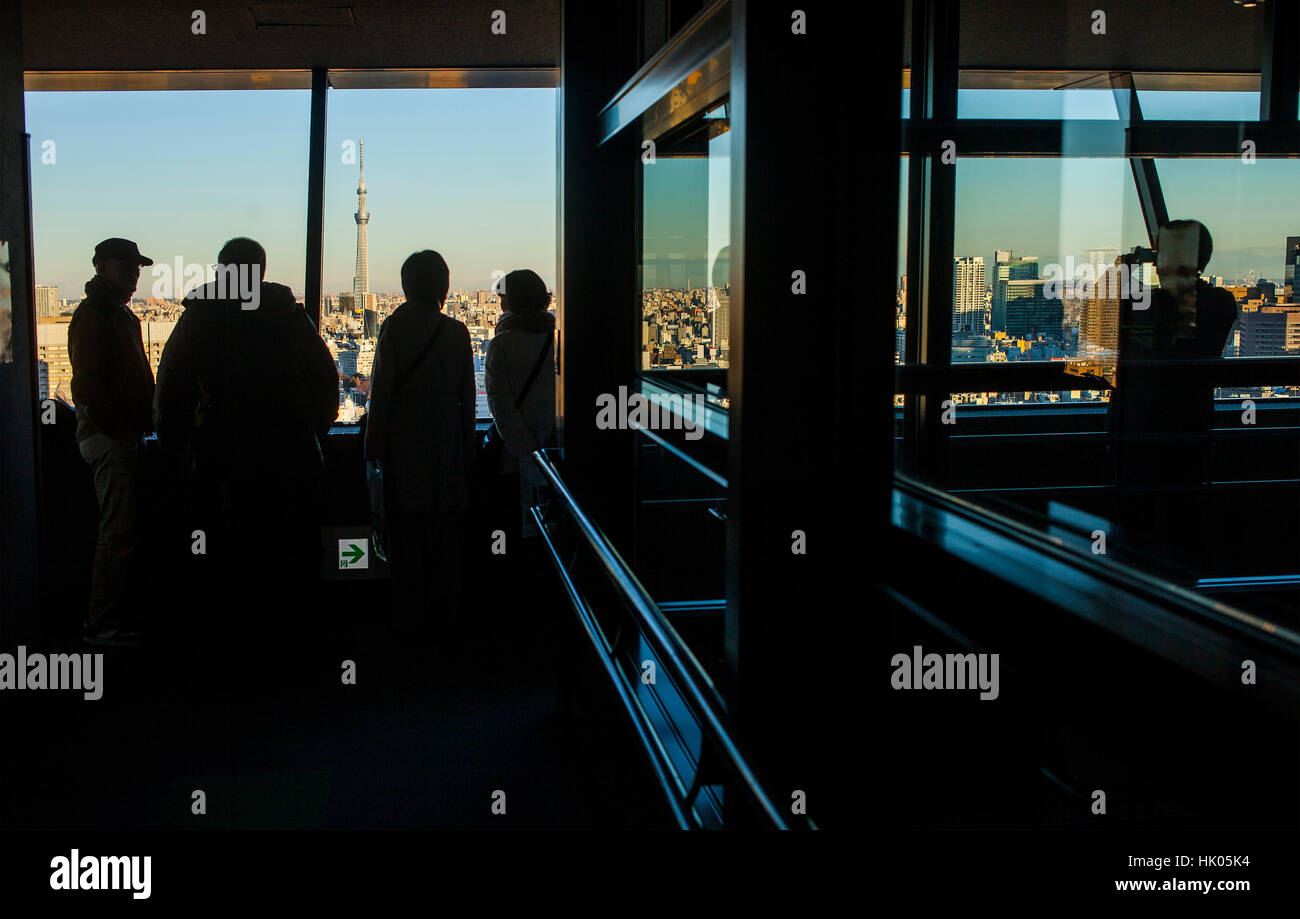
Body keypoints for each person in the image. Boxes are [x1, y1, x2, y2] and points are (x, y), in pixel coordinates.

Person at [153, 237, 338, 639]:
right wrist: (311, 430)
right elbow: (326, 379)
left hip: (223, 454)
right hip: (289, 452)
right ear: (262, 271)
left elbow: (170, 388)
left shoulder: (201, 318)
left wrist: (178, 443)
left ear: (222, 272)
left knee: (226, 553)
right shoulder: (289, 316)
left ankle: (231, 646)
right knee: (291, 551)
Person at [364, 250, 477, 637]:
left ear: (406, 285)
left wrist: (372, 446)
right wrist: (466, 452)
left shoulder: (394, 329)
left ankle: (409, 631)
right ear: (443, 286)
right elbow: (468, 401)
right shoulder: (457, 332)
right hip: (446, 449)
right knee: (445, 547)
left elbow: (379, 396)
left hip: (404, 449)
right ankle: (446, 628)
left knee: (407, 548)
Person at [68, 238, 157, 646]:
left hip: (118, 433)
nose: (135, 276)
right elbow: (88, 385)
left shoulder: (114, 314)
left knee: (121, 530)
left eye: (137, 269)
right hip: (110, 438)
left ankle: (109, 619)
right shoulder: (96, 316)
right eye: (128, 268)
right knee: (117, 532)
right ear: (102, 267)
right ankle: (100, 623)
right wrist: (118, 426)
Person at [1111, 219, 1238, 489]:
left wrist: (1124, 273)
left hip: (1139, 432)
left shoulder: (1150, 305)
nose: (1157, 263)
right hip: (1193, 428)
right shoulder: (1222, 303)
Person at [484, 269, 556, 540]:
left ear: (512, 301)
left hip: (514, 459)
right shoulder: (560, 339)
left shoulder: (502, 344)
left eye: (503, 297)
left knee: (516, 528)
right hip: (558, 448)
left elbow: (499, 404)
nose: (501, 303)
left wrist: (526, 450)